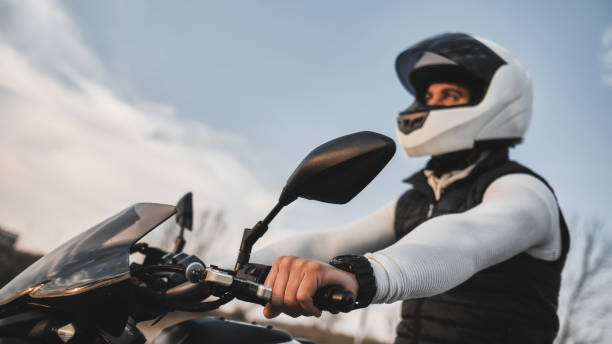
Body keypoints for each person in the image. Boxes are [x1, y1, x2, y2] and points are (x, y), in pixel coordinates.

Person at [252, 32, 569, 344]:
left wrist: (360, 274)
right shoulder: (416, 201)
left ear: (496, 100)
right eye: (428, 97)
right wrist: (218, 269)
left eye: (449, 96)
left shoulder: (525, 191)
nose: (431, 105)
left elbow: (465, 238)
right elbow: (330, 242)